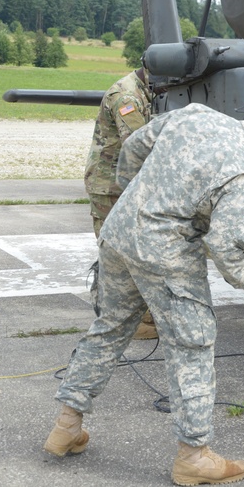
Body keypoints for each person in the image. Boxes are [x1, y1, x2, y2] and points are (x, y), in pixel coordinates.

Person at [44, 94, 244, 486]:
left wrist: (141, 195)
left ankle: (66, 425)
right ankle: (194, 456)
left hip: (120, 231)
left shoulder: (197, 115)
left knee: (111, 327)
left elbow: (134, 147)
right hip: (166, 252)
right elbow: (226, 246)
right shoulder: (243, 175)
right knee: (192, 345)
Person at [84, 66, 157, 339]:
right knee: (116, 255)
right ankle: (122, 321)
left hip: (127, 184)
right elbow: (139, 145)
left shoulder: (148, 91)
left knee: (136, 251)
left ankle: (142, 316)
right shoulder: (127, 97)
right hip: (110, 186)